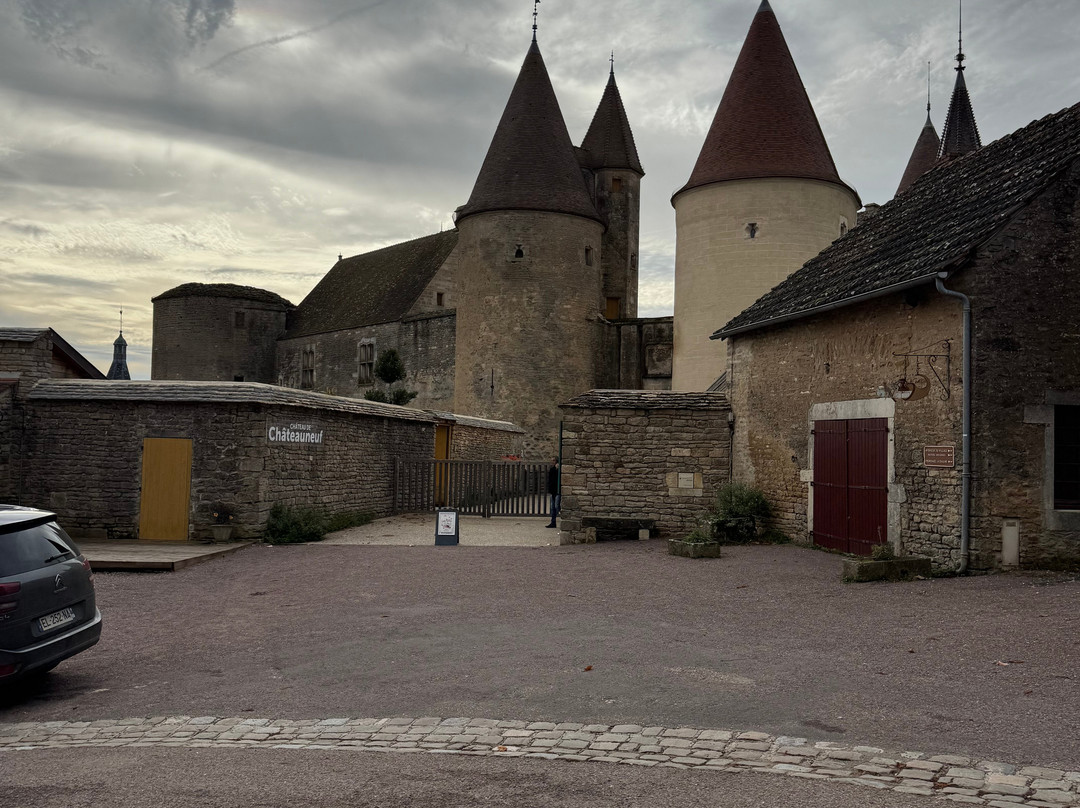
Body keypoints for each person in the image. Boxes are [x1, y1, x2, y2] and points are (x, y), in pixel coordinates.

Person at [546, 457, 560, 528]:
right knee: (553, 508)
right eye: (551, 460)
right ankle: (553, 522)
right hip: (553, 491)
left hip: (557, 491)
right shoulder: (552, 469)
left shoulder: (558, 469)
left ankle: (556, 521)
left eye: (554, 460)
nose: (552, 462)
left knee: (557, 506)